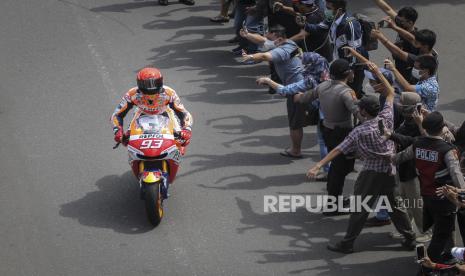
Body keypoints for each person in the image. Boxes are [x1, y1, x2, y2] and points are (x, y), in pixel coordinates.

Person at [307, 59, 416, 253]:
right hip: (390, 170)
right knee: (396, 207)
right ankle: (410, 238)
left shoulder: (359, 132)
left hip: (371, 173)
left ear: (363, 112)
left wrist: (318, 165)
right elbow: (391, 92)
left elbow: (338, 149)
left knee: (359, 209)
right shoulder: (386, 118)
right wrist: (378, 72)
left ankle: (348, 243)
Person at [293, 58, 362, 214]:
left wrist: (296, 96)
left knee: (337, 168)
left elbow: (304, 97)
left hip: (327, 130)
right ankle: (334, 204)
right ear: (348, 73)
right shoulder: (346, 92)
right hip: (343, 134)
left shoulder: (323, 86)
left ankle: (335, 198)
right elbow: (358, 112)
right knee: (340, 169)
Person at [395, 112, 465, 263]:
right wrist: (462, 195)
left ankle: (449, 254)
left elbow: (399, 157)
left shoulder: (417, 144)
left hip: (426, 194)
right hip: (444, 197)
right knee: (441, 233)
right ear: (442, 128)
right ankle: (428, 263)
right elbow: (456, 175)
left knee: (443, 228)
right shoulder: (447, 150)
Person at [256, 51, 331, 180]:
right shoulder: (331, 76)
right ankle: (346, 166)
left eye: (305, 64)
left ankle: (328, 171)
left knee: (324, 142)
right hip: (340, 114)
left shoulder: (309, 81)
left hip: (325, 114)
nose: (302, 66)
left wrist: (268, 81)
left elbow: (286, 90)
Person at [242, 25, 305, 158]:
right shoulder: (287, 43)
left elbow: (265, 55)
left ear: (279, 38)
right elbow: (262, 41)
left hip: (296, 89)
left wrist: (251, 57)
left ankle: (296, 150)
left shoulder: (282, 50)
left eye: (270, 37)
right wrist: (247, 35)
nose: (268, 41)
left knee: (295, 123)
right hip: (304, 85)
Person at [290, 0, 367, 98]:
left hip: (354, 67)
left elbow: (356, 50)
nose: (326, 10)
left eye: (329, 8)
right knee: (341, 94)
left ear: (339, 10)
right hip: (339, 62)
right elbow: (318, 28)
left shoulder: (351, 24)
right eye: (326, 7)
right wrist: (304, 25)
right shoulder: (331, 19)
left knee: (354, 94)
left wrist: (350, 70)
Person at [111, 67, 193, 151]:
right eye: (146, 84)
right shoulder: (131, 94)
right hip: (141, 114)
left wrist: (186, 129)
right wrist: (118, 131)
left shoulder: (169, 93)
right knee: (126, 140)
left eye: (155, 83)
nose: (151, 88)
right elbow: (117, 115)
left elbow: (184, 113)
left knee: (181, 142)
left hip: (165, 113)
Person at [373, 1, 419, 82]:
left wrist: (380, 36)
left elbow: (399, 53)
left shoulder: (415, 40)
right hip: (398, 69)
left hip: (408, 75)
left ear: (410, 22)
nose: (398, 22)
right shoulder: (402, 23)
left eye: (401, 21)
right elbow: (388, 9)